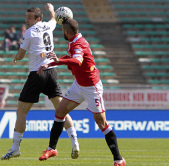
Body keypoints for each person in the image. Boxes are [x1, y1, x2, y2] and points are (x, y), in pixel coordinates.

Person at [37, 18, 126, 166]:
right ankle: (51, 148)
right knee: (60, 111)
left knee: (101, 122)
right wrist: (51, 63)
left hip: (92, 87)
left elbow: (77, 60)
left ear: (66, 32)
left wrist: (58, 61)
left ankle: (119, 159)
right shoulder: (75, 41)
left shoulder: (79, 44)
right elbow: (71, 58)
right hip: (79, 85)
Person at [0, 3, 80, 160]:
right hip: (52, 72)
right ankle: (75, 144)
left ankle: (15, 148)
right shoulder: (48, 26)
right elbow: (52, 19)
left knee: (21, 110)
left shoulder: (30, 32)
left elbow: (22, 55)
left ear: (37, 19)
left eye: (30, 18)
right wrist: (51, 10)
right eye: (26, 17)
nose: (27, 20)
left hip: (37, 73)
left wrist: (16, 56)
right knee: (61, 110)